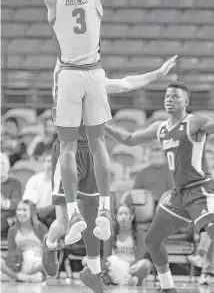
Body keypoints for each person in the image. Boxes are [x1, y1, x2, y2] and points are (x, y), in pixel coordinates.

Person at [42, 57, 177, 292]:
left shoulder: (97, 83)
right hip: (68, 153)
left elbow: (127, 83)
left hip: (93, 155)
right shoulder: (64, 79)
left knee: (94, 220)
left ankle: (92, 272)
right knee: (63, 223)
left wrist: (158, 73)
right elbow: (62, 56)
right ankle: (50, 244)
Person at [44, 0, 118, 245]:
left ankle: (73, 212)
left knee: (69, 148)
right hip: (94, 74)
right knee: (99, 142)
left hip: (70, 76)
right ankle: (104, 208)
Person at [105, 81, 214, 293]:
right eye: (167, 96)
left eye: (174, 96)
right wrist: (103, 127)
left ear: (186, 101)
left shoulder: (195, 122)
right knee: (152, 240)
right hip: (178, 194)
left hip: (199, 190)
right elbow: (129, 139)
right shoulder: (160, 128)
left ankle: (207, 269)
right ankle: (167, 287)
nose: (169, 100)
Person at [103, 203, 153, 286]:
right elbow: (106, 257)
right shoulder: (109, 234)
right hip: (114, 268)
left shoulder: (141, 235)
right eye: (120, 214)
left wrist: (126, 268)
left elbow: (140, 257)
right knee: (90, 262)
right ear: (116, 217)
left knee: (146, 264)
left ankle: (125, 280)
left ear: (132, 216)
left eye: (126, 214)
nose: (123, 216)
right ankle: (129, 281)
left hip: (131, 269)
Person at [1, 200, 47, 283]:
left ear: (32, 212)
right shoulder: (12, 230)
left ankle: (24, 277)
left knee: (30, 255)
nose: (20, 213)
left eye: (24, 210)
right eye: (19, 210)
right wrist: (14, 265)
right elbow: (11, 252)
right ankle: (21, 277)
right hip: (20, 263)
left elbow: (48, 254)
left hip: (37, 265)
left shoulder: (41, 228)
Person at [1, 152, 22, 239]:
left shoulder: (14, 182)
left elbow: (17, 202)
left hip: (6, 217)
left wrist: (4, 203)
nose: (0, 166)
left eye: (2, 163)